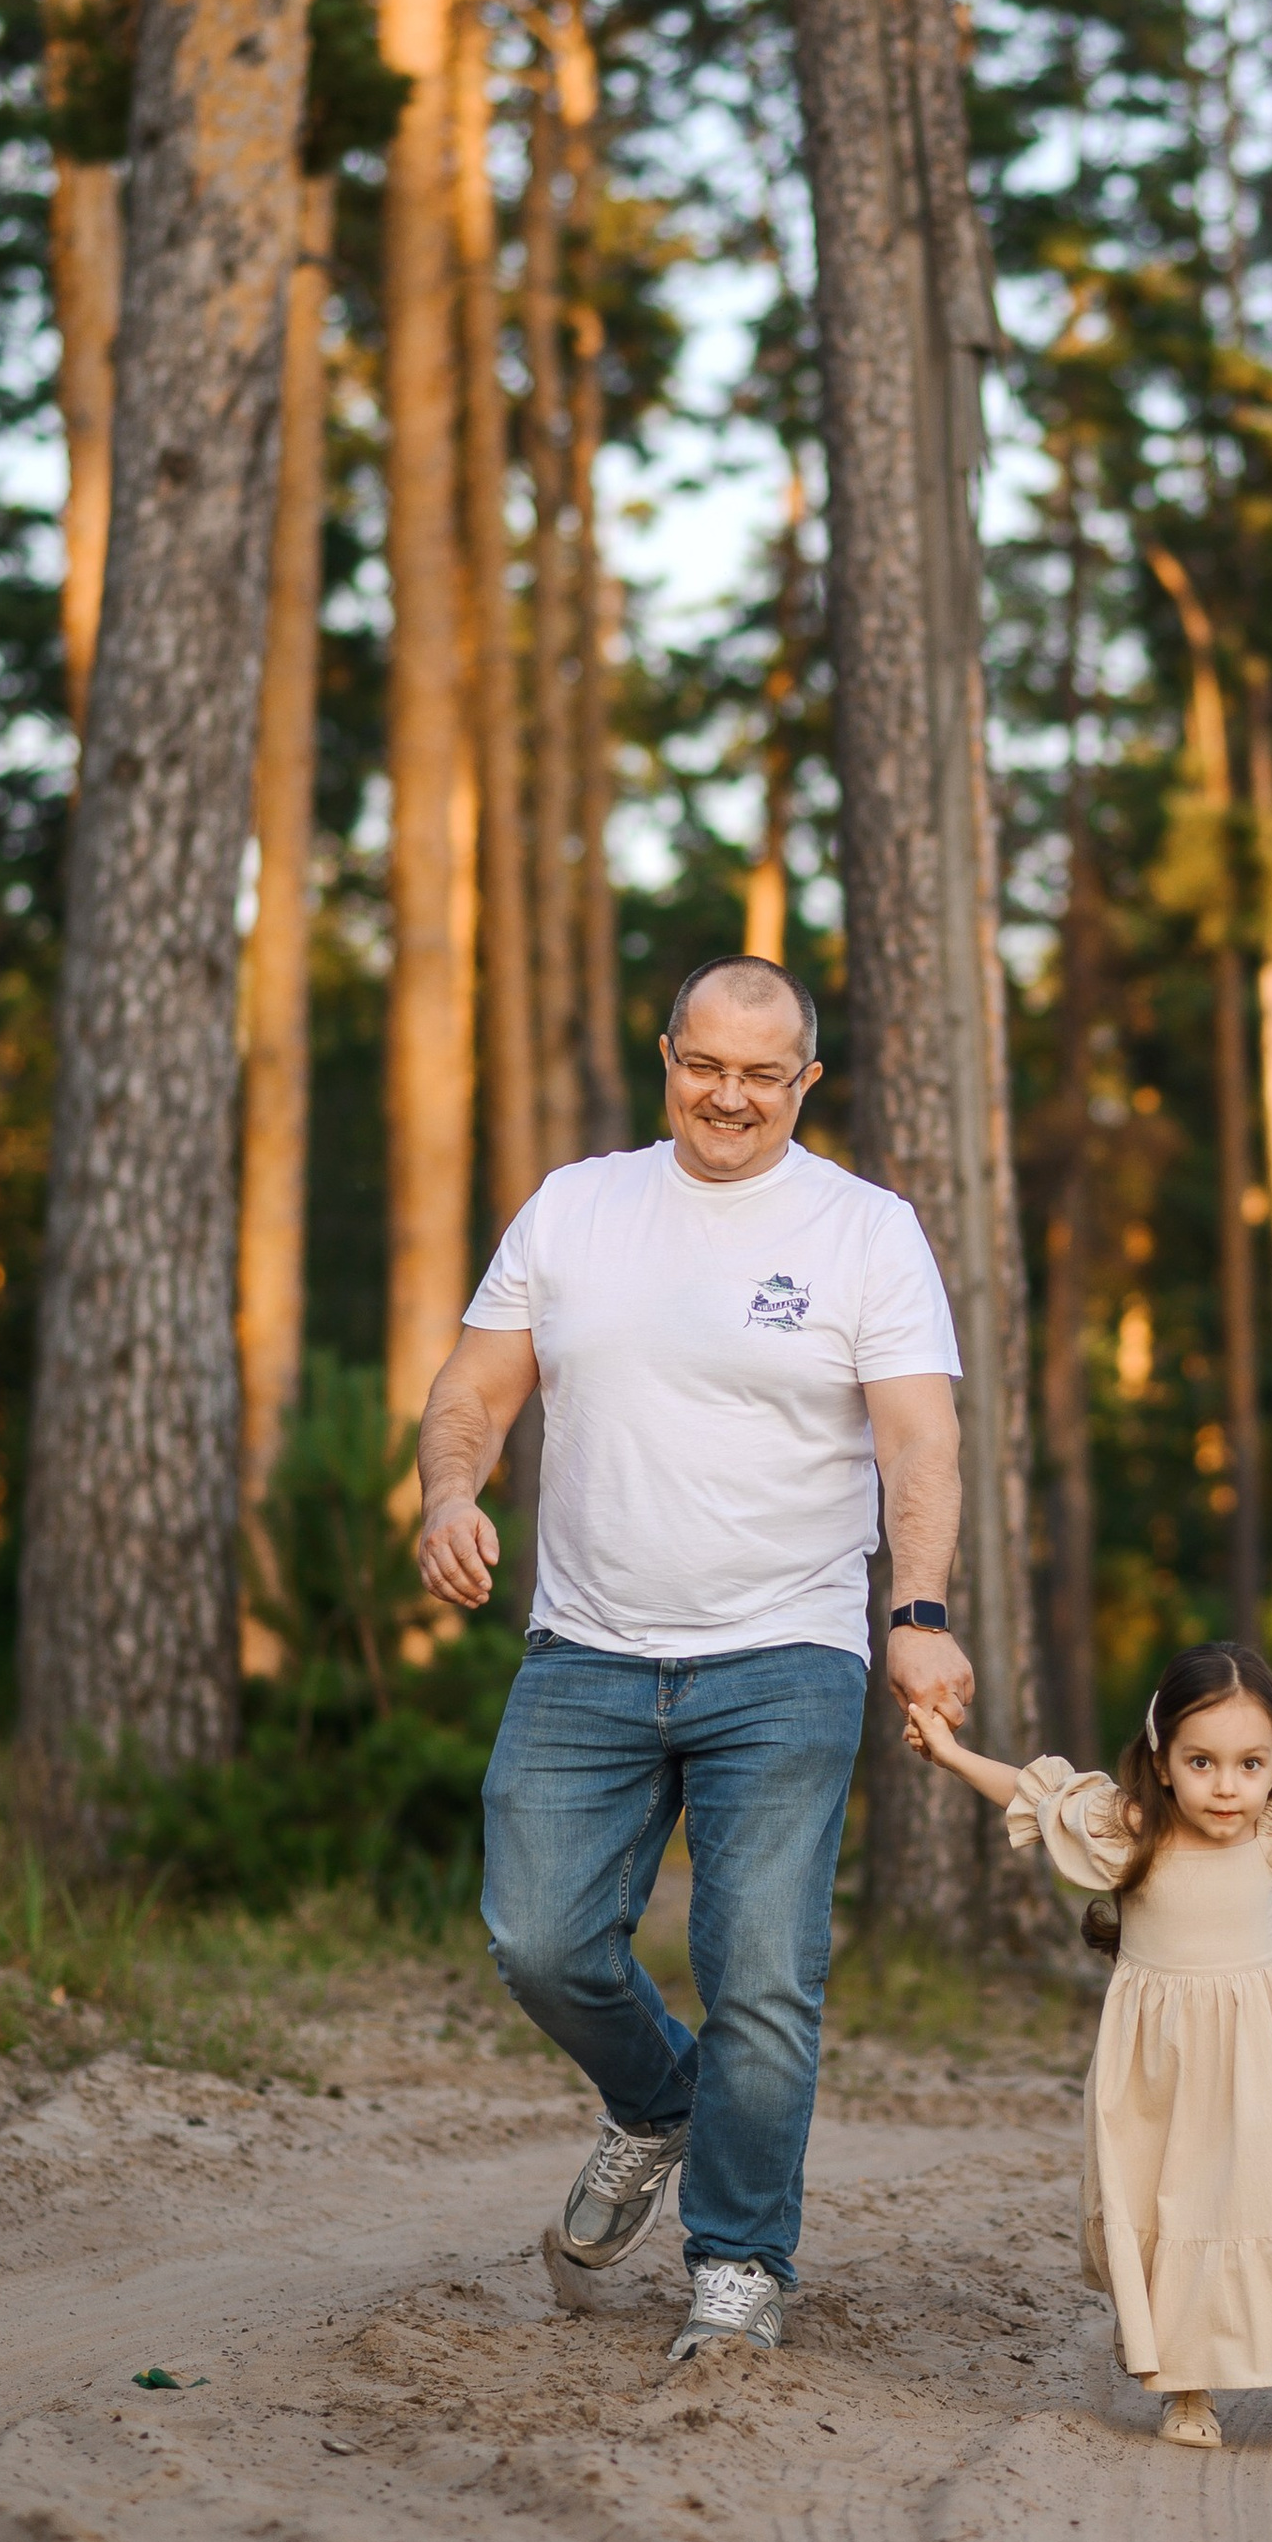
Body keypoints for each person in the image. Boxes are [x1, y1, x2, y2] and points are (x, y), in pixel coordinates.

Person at [414, 954, 973, 2362]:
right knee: (537, 1941)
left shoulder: (865, 1230)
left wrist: (918, 1614)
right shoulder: (577, 1206)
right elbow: (476, 1387)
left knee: (763, 1972)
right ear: (666, 1056)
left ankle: (737, 2262)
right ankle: (658, 2101)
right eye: (703, 1066)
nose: (729, 1097)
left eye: (762, 1074)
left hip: (783, 1652)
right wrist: (450, 1492)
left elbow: (917, 1439)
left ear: (806, 1083)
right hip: (586, 1650)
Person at [904, 1634, 1272, 2449]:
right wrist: (952, 1753)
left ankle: (1239, 2348)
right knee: (1168, 2205)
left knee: (1243, 2199)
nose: (1228, 1786)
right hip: (1155, 2064)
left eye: (1250, 1763)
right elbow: (1036, 1797)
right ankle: (1186, 2389)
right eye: (1201, 1762)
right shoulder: (1128, 1829)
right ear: (1163, 1759)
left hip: (1252, 2058)